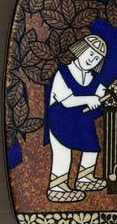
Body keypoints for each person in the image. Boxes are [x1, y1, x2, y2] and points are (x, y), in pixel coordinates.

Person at [45, 34, 108, 202]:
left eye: (97, 58)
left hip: (81, 121)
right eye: (90, 53)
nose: (92, 60)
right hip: (60, 121)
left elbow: (103, 92)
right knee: (63, 153)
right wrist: (89, 99)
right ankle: (57, 188)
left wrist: (108, 95)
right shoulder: (63, 73)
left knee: (91, 147)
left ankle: (85, 179)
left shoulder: (91, 78)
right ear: (80, 50)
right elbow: (67, 101)